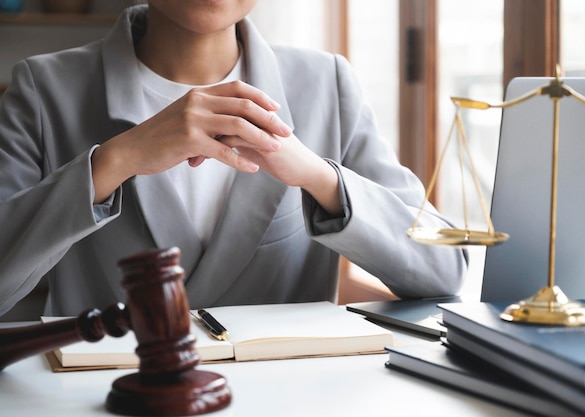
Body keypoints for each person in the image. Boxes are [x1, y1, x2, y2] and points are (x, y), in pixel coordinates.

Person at [0, 1, 467, 317]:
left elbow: (444, 270)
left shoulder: (328, 83)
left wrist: (320, 179)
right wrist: (114, 161)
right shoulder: (44, 90)